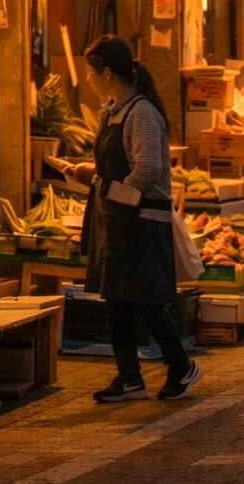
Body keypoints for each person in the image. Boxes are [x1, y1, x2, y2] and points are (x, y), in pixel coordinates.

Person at [74, 36, 201, 402]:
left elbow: (147, 169)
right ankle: (129, 378)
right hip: (116, 218)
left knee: (145, 301)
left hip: (142, 220)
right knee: (116, 298)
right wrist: (90, 173)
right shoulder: (111, 109)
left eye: (91, 71)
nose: (88, 78)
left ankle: (182, 366)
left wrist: (100, 182)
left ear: (107, 72)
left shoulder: (141, 112)